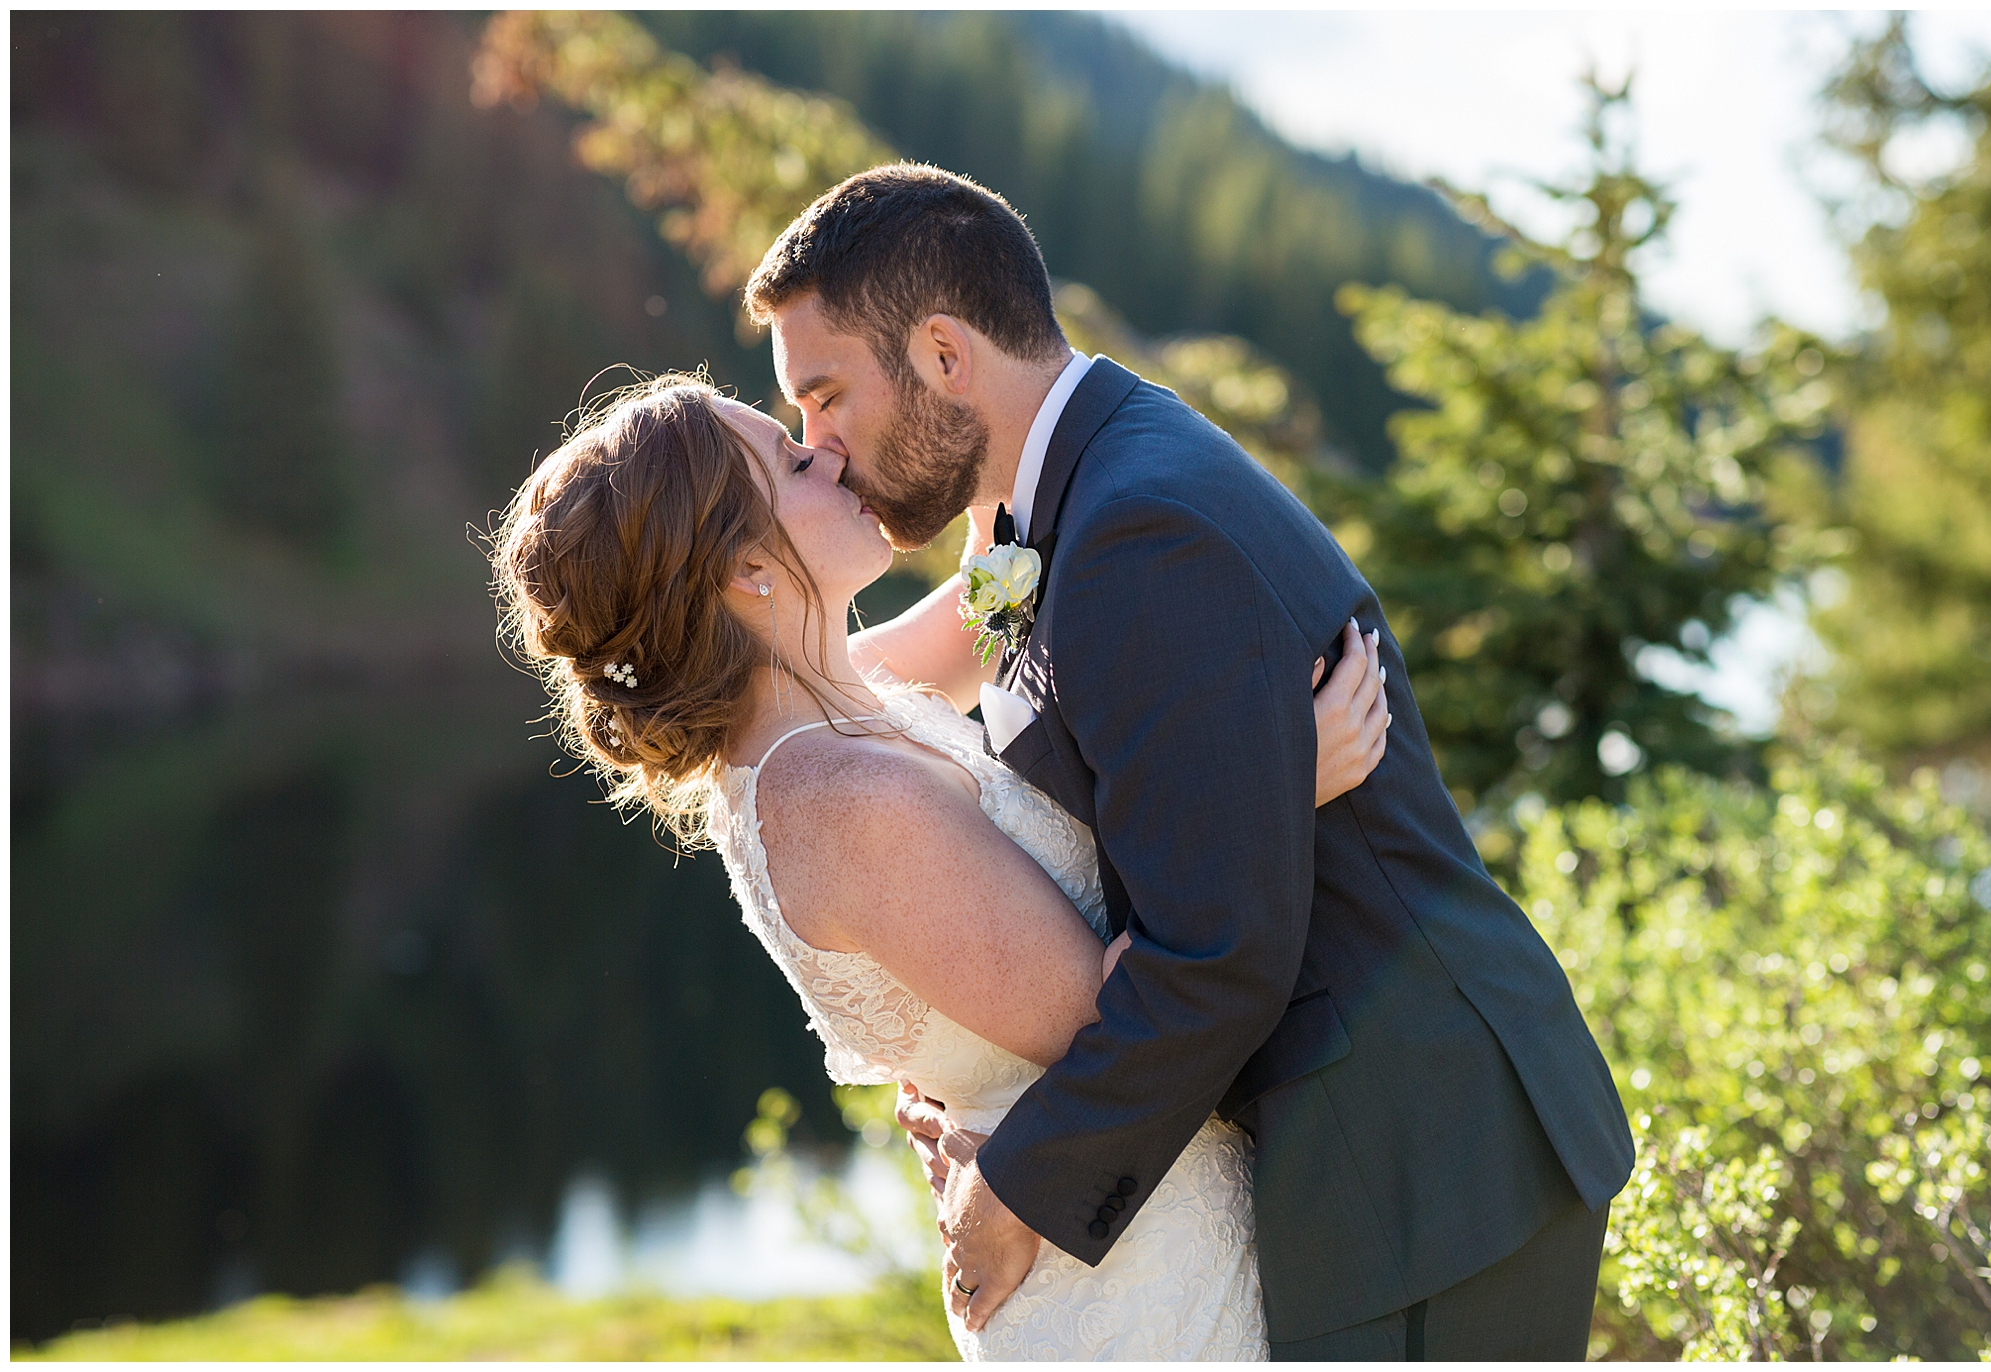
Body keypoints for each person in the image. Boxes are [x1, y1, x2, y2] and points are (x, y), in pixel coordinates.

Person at [742, 163, 1636, 1360]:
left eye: (826, 397)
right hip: (1369, 1156)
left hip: (1422, 1163)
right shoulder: (1052, 505)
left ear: (946, 359)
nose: (822, 445)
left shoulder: (1132, 532)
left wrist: (1015, 1190)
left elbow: (1217, 955)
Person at [490, 372, 1390, 1359]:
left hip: (1132, 1213)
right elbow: (1124, 1023)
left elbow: (997, 593)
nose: (824, 450)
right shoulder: (839, 801)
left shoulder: (836, 693)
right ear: (749, 568)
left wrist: (974, 417)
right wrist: (1275, 781)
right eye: (794, 461)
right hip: (1132, 1284)